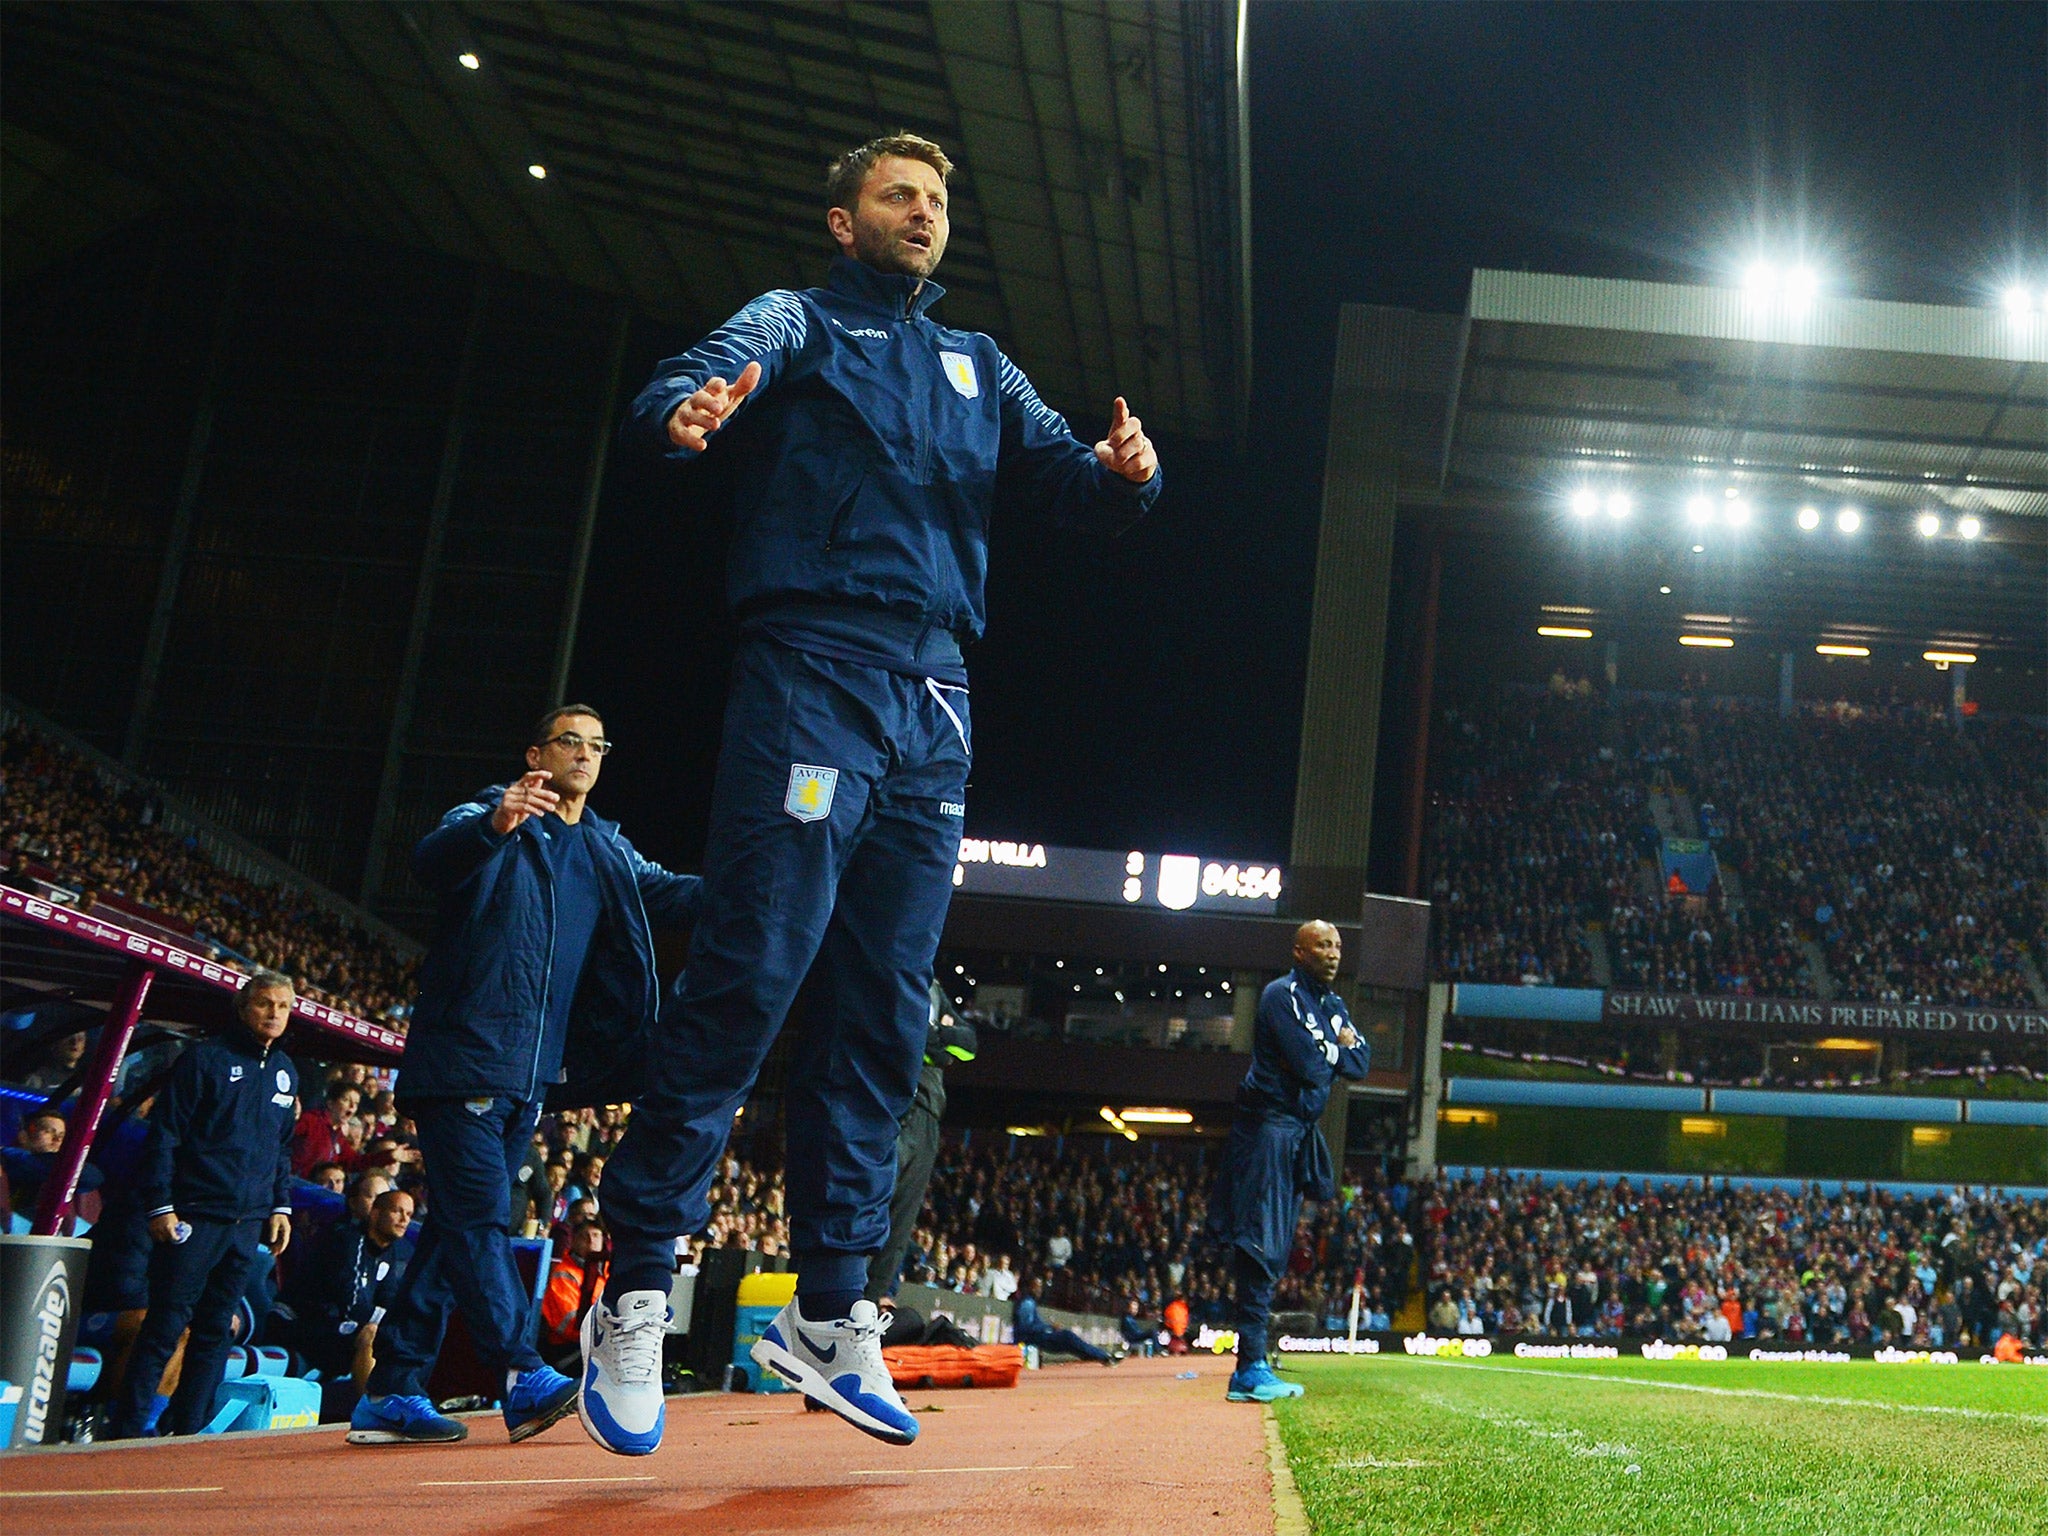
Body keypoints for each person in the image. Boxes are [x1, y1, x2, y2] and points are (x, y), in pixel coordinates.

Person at [583, 129, 1159, 1456]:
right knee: (750, 974)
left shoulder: (979, 362)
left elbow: (1067, 476)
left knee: (886, 1013)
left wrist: (1130, 479)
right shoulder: (799, 318)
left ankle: (833, 1314)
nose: (925, 213)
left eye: (941, 200)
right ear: (843, 222)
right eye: (899, 196)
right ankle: (629, 1297)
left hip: (938, 695)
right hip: (813, 668)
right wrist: (678, 410)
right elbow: (698, 373)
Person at [349, 706, 702, 1448]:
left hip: (530, 1074)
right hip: (463, 1059)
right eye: (569, 740)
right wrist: (495, 824)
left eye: (597, 744)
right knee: (480, 1222)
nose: (584, 753)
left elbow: (669, 893)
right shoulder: (490, 810)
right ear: (537, 752)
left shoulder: (606, 846)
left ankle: (393, 1388)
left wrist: (765, 889)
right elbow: (431, 862)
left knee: (453, 1229)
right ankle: (520, 1369)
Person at [107, 971, 299, 1438]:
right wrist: (160, 1205)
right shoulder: (205, 1060)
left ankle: (187, 1431)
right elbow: (166, 1134)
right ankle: (126, 1431)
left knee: (216, 1332)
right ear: (242, 1008)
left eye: (284, 1007)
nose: (274, 1014)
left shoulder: (286, 1071)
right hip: (195, 1215)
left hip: (247, 1222)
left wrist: (280, 1206)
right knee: (166, 1326)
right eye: (265, 1004)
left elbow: (280, 1148)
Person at [1207, 921, 1369, 1404]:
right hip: (1269, 1128)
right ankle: (1249, 1367)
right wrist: (1334, 1047)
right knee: (1261, 1243)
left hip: (1296, 1131)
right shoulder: (1282, 995)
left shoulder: (1331, 1004)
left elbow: (1358, 1063)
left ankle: (1253, 1362)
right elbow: (1314, 1066)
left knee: (1274, 1247)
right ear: (1299, 951)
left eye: (1338, 945)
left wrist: (1335, 1048)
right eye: (1323, 945)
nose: (1333, 953)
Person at [865, 981, 978, 1307]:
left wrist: (934, 1040)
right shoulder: (896, 973)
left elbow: (968, 1045)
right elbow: (901, 1034)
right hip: (895, 1105)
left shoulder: (935, 987)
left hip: (929, 1115)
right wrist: (938, 1042)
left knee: (901, 1224)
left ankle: (868, 1306)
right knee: (874, 1204)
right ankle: (841, 1301)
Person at [275, 1188, 414, 1420]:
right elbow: (353, 1306)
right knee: (370, 1333)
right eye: (397, 1211)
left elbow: (389, 1299)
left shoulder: (387, 1250)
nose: (404, 1220)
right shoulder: (348, 1241)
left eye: (409, 1214)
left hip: (332, 1325)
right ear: (375, 1213)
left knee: (397, 1332)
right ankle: (373, 1415)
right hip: (295, 1322)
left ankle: (405, 1403)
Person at [1012, 1275, 1118, 1366]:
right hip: (1032, 1339)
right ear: (1029, 1287)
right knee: (1068, 1336)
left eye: (1040, 1286)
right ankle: (1103, 1356)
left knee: (1070, 1343)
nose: (1039, 1289)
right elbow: (1026, 1328)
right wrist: (1049, 1328)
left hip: (1036, 1336)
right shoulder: (1027, 1303)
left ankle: (1099, 1357)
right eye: (1036, 1286)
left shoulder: (1030, 1302)